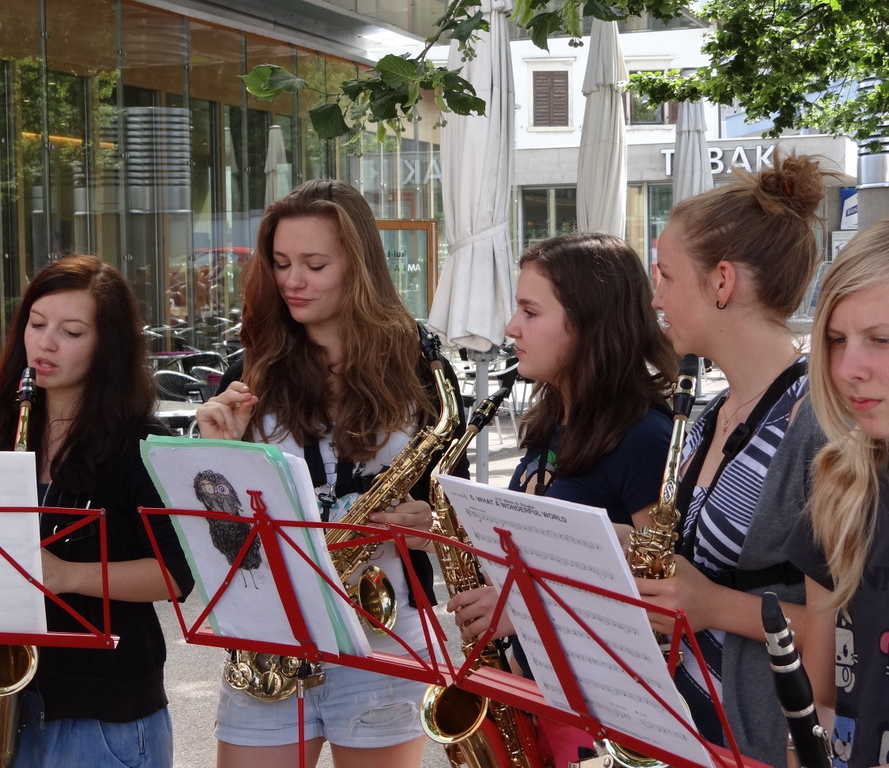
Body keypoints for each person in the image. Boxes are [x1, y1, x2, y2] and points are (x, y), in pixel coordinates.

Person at [194, 178, 469, 768]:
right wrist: (216, 452)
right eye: (281, 263)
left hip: (384, 633)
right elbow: (220, 530)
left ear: (359, 266)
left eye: (314, 265)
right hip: (272, 635)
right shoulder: (251, 371)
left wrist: (432, 522)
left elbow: (459, 508)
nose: (292, 281)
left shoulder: (422, 373)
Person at [446, 232, 680, 765]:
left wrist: (523, 609)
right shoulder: (556, 419)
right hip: (547, 691)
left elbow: (659, 606)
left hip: (607, 726)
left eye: (530, 311)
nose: (511, 327)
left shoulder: (644, 438)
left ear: (589, 323)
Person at [636, 150, 835, 768]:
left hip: (762, 739)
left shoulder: (818, 425)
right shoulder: (712, 413)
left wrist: (714, 606)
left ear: (722, 282)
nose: (656, 297)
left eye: (667, 276)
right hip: (692, 726)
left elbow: (846, 638)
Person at [0, 255, 195, 768]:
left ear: (107, 348)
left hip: (105, 716)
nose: (45, 344)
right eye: (36, 324)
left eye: (71, 332)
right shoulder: (0, 433)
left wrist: (66, 575)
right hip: (14, 705)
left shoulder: (140, 445)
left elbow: (176, 574)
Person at [785, 218, 889, 768]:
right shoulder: (840, 485)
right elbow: (821, 698)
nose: (848, 369)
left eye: (882, 340)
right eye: (835, 340)